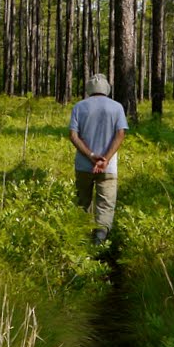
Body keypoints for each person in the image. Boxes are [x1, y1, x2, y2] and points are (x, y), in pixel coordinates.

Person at [68, 73, 128, 245]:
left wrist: (92, 156)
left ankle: (81, 243)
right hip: (108, 169)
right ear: (106, 89)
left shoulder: (79, 107)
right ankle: (99, 241)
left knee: (82, 203)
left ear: (89, 89)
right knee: (106, 205)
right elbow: (120, 134)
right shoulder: (117, 107)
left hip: (83, 166)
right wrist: (105, 159)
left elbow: (73, 136)